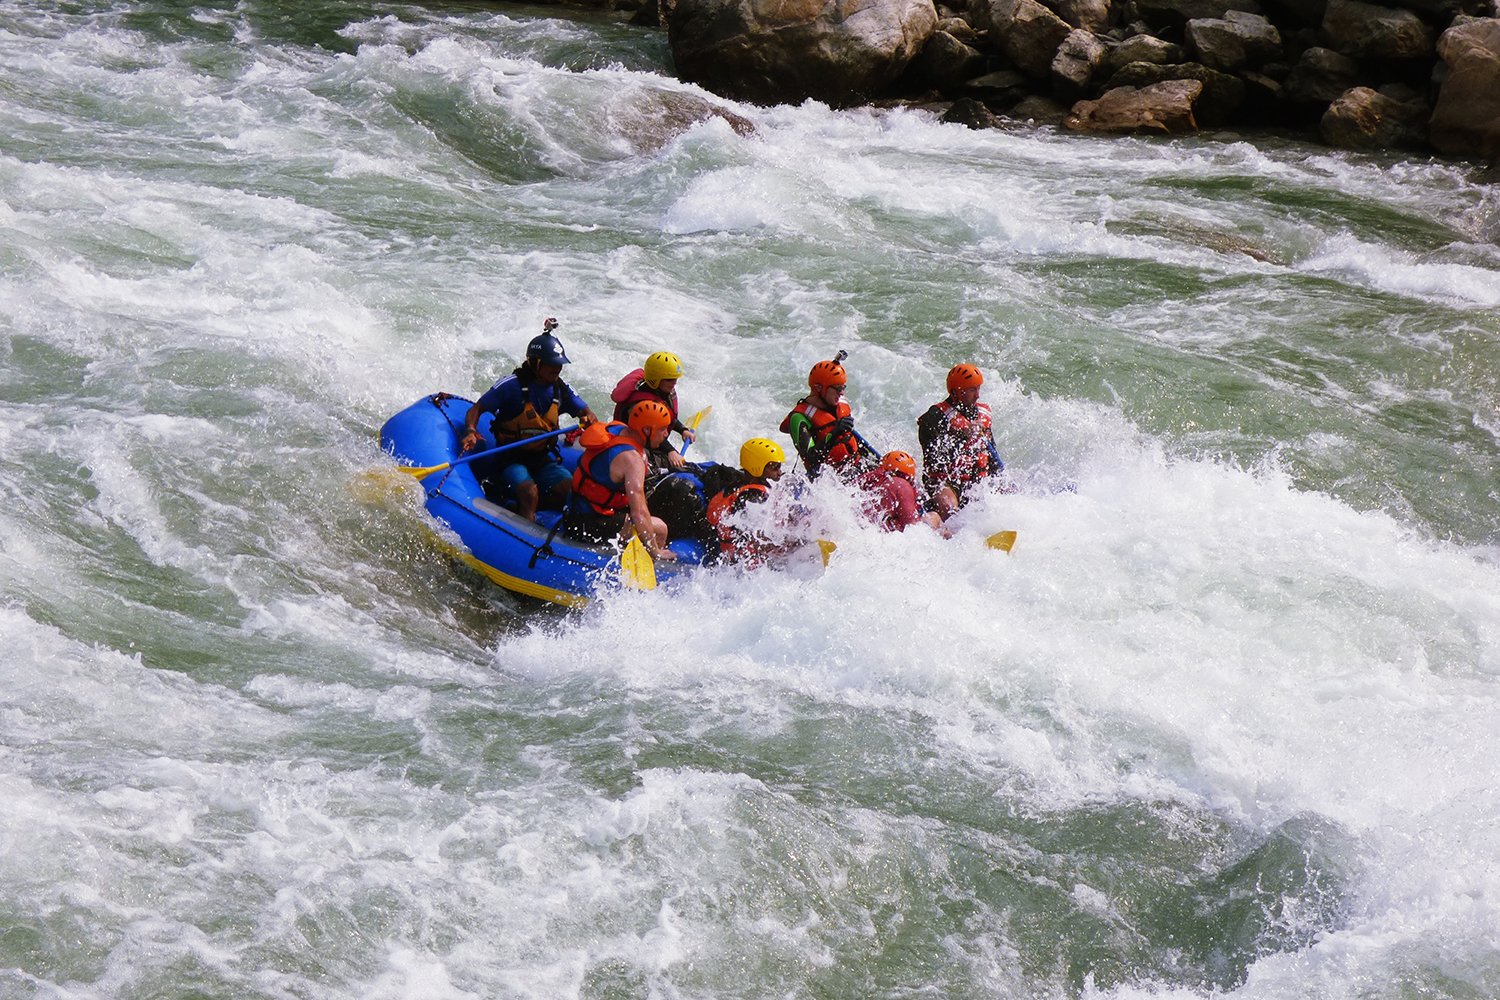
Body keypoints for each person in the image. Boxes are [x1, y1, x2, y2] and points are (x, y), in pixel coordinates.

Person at [459, 320, 599, 522]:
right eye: (551, 364)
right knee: (529, 492)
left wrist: (588, 417)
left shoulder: (561, 389)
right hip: (510, 458)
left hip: (543, 459)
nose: (557, 369)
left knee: (570, 489)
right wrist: (471, 430)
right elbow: (477, 408)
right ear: (535, 363)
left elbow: (586, 412)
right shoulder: (511, 386)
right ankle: (525, 528)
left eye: (559, 364)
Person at [560, 399, 678, 562]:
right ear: (646, 430)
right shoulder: (631, 460)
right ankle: (651, 561)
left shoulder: (616, 428)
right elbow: (639, 514)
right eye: (663, 430)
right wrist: (655, 551)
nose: (666, 435)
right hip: (588, 523)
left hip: (574, 509)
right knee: (660, 528)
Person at [917, 363, 1005, 522]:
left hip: (978, 482)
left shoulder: (982, 415)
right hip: (946, 482)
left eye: (978, 388)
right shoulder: (935, 417)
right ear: (956, 392)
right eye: (972, 390)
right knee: (949, 507)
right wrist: (961, 437)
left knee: (1009, 494)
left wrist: (1001, 480)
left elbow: (992, 455)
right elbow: (933, 460)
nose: (978, 395)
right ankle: (935, 526)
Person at [780, 356, 875, 480]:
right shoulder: (798, 418)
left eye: (843, 387)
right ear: (819, 388)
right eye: (838, 388)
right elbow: (812, 459)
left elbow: (851, 440)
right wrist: (834, 432)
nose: (842, 393)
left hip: (856, 468)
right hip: (829, 481)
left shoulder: (841, 405)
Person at [702, 438, 788, 566]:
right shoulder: (752, 497)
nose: (779, 472)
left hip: (739, 547)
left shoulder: (747, 483)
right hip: (740, 558)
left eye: (780, 466)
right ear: (758, 467)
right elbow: (756, 536)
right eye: (775, 467)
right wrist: (791, 542)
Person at [610, 351, 696, 473]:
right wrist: (670, 451)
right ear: (656, 379)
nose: (674, 383)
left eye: (675, 378)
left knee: (683, 467)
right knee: (674, 469)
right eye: (669, 379)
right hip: (635, 447)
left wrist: (683, 430)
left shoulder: (661, 392)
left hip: (653, 441)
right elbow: (652, 432)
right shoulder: (643, 405)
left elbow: (667, 418)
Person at [858, 451, 947, 535]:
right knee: (933, 516)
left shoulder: (868, 480)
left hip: (866, 527)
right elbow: (911, 525)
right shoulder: (902, 485)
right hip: (888, 534)